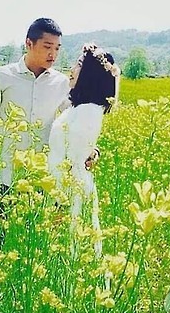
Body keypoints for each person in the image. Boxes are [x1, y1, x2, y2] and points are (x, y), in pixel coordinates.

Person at [0, 18, 70, 191]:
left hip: (41, 179)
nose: (53, 54)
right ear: (29, 44)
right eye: (47, 47)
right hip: (3, 175)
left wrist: (91, 149)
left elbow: (73, 122)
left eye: (57, 48)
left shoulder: (62, 83)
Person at [47, 43, 120, 257]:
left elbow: (74, 161)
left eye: (79, 64)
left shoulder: (88, 111)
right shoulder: (79, 107)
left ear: (89, 73)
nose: (72, 69)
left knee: (68, 251)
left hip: (70, 191)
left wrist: (60, 204)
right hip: (63, 189)